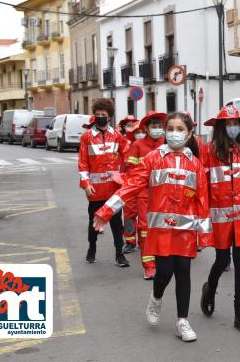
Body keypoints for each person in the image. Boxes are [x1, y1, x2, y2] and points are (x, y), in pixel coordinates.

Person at [93, 112, 210, 342]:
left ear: (189, 134)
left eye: (180, 129)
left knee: (183, 272)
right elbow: (131, 186)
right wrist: (106, 211)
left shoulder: (195, 164)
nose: (174, 133)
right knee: (164, 271)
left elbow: (202, 201)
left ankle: (182, 321)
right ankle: (156, 298)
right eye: (171, 128)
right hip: (161, 229)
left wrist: (203, 235)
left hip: (185, 230)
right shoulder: (153, 158)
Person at [199, 105, 240, 333]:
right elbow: (202, 188)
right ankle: (210, 287)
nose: (233, 128)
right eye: (228, 124)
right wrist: (203, 218)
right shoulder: (209, 151)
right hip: (220, 218)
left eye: (236, 124)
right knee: (221, 260)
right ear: (220, 127)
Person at [78, 98, 130, 267]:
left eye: (104, 115)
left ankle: (119, 255)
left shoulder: (117, 136)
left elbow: (127, 156)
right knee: (94, 222)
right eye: (98, 114)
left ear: (110, 117)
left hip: (114, 189)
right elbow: (83, 162)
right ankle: (91, 248)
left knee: (117, 224)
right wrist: (86, 184)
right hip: (95, 190)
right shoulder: (86, 137)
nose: (100, 117)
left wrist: (128, 176)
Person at [123, 111, 167, 280]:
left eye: (159, 126)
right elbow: (130, 169)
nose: (157, 129)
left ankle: (162, 260)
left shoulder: (167, 144)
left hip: (164, 193)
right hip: (144, 193)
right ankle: (149, 265)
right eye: (153, 126)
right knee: (145, 229)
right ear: (147, 128)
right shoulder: (137, 145)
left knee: (163, 227)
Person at [122, 122, 145, 253]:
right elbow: (127, 166)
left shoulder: (155, 146)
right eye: (137, 132)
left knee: (145, 218)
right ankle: (130, 241)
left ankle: (144, 242)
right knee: (129, 215)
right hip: (131, 185)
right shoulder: (130, 146)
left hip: (146, 188)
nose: (139, 134)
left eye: (141, 131)